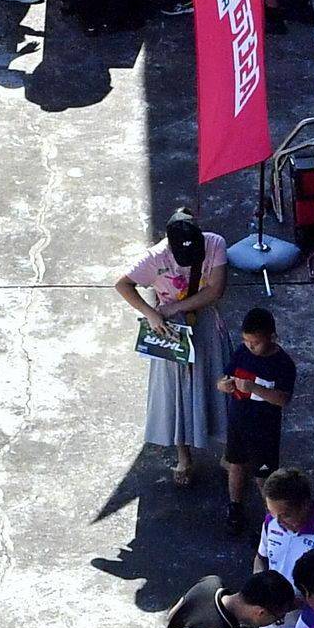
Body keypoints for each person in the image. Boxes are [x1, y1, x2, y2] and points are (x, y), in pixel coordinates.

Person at [117, 206, 229, 491]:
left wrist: (174, 307)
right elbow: (123, 284)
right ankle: (183, 455)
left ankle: (229, 450)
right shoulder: (155, 257)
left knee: (218, 384)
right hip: (171, 331)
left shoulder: (215, 244)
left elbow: (215, 289)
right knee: (176, 393)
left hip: (204, 320)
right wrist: (151, 314)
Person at [220, 307, 296, 523]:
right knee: (235, 465)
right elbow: (226, 376)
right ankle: (235, 505)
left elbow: (283, 399)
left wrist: (254, 388)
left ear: (272, 337)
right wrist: (223, 384)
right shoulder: (242, 353)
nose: (250, 346)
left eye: (255, 342)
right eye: (246, 341)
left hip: (264, 432)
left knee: (264, 477)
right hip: (238, 422)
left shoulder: (283, 364)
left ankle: (273, 519)